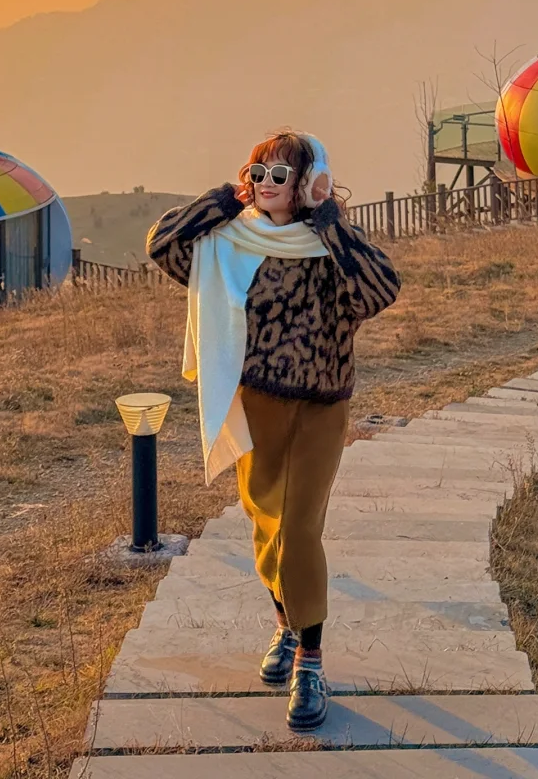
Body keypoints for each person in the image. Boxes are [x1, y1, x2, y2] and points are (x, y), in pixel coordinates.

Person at [146, 129, 400, 731]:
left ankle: (309, 663)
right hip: (256, 400)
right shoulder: (233, 241)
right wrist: (226, 200)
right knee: (265, 526)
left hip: (320, 406)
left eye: (280, 176)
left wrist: (329, 217)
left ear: (310, 183)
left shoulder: (331, 247)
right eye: (258, 172)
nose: (266, 185)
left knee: (300, 526)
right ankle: (285, 622)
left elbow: (382, 289)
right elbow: (163, 245)